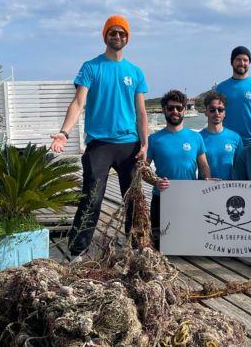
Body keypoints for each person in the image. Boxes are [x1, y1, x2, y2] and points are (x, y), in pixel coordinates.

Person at [52, 14, 149, 258]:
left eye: (122, 33)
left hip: (129, 144)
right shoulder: (91, 67)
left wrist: (145, 143)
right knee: (92, 199)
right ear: (105, 35)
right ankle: (77, 252)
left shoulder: (135, 72)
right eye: (113, 32)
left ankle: (134, 249)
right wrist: (64, 132)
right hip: (100, 144)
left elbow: (141, 112)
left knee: (133, 200)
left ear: (128, 38)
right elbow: (78, 102)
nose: (117, 36)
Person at [148, 89, 211, 247]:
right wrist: (155, 181)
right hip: (161, 197)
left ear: (184, 109)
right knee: (160, 243)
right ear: (164, 110)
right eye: (170, 108)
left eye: (179, 107)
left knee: (189, 243)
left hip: (189, 197)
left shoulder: (196, 137)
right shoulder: (154, 139)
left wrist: (208, 183)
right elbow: (142, 170)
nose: (175, 111)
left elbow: (204, 166)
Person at [215, 46, 251, 146]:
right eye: (238, 59)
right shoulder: (220, 88)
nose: (242, 63)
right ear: (232, 62)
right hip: (227, 142)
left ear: (249, 63)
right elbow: (214, 114)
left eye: (245, 60)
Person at [199, 92, 242, 180]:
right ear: (206, 112)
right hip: (204, 190)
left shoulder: (235, 138)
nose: (217, 113)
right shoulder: (197, 138)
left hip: (229, 190)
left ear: (224, 113)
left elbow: (241, 168)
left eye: (220, 109)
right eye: (212, 110)